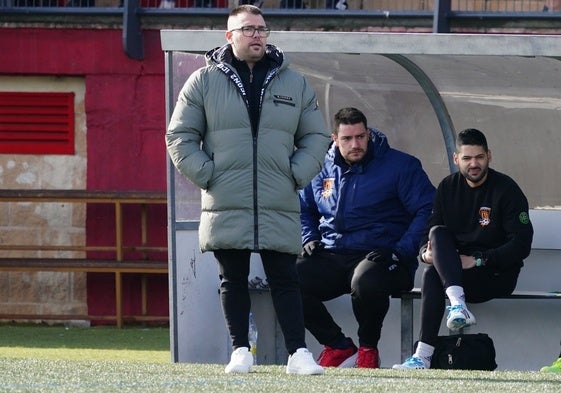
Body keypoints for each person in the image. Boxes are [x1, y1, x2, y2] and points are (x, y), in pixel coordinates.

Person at [165, 5, 330, 375]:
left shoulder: (294, 82)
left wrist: (294, 174)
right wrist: (209, 175)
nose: (257, 35)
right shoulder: (203, 81)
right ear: (230, 35)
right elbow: (179, 136)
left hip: (278, 196)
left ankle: (298, 354)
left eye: (262, 29)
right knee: (232, 278)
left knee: (286, 278)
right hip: (226, 197)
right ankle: (240, 350)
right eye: (249, 29)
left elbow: (317, 136)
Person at [297, 107, 436, 368]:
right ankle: (338, 346)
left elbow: (427, 209)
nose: (355, 144)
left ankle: (368, 350)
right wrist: (310, 237)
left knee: (366, 279)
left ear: (368, 134)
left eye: (360, 137)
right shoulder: (319, 166)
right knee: (288, 278)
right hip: (334, 253)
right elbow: (304, 208)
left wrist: (400, 250)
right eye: (347, 139)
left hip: (385, 258)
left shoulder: (400, 166)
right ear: (334, 139)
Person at [393, 128, 534, 370]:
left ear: (489, 155)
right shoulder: (448, 187)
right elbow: (429, 231)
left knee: (433, 276)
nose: (474, 164)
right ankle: (425, 353)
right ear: (456, 158)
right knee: (435, 245)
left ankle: (428, 349)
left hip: (495, 273)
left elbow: (522, 244)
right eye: (467, 158)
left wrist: (479, 260)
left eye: (479, 157)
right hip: (456, 275)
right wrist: (425, 253)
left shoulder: (506, 189)